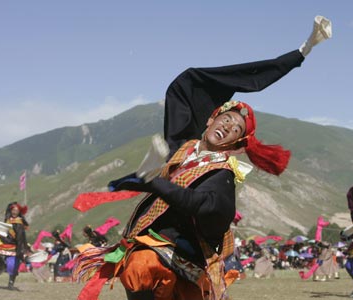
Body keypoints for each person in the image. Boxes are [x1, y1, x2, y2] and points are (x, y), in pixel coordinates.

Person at [74, 15, 332, 300]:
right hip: (151, 248)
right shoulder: (183, 149)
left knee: (140, 266)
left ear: (235, 142)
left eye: (236, 129)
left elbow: (204, 207)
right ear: (210, 120)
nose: (228, 126)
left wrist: (303, 50)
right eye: (226, 118)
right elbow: (188, 84)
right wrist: (122, 184)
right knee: (138, 268)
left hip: (182, 257)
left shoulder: (221, 173)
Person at [0, 202, 30, 290]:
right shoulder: (7, 220)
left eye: (17, 210)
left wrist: (21, 251)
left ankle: (11, 283)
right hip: (2, 244)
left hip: (13, 247)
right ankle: (1, 265)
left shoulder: (19, 223)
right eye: (13, 209)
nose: (15, 211)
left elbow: (20, 238)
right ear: (10, 210)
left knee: (12, 265)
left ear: (19, 211)